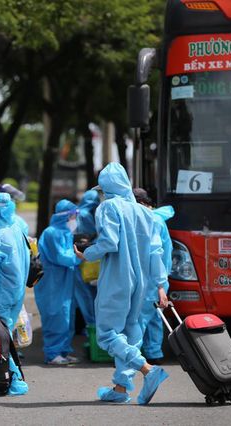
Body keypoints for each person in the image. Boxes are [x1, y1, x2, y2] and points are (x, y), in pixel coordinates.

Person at [74, 163, 169, 405]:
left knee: (106, 335)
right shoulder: (146, 213)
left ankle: (148, 370)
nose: (101, 195)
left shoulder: (108, 207)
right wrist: (160, 284)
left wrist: (88, 254)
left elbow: (109, 243)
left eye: (101, 190)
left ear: (105, 188)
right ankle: (120, 388)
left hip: (117, 278)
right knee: (130, 332)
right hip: (142, 282)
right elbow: (156, 252)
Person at [0, 192, 29, 395]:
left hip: (2, 291)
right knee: (6, 333)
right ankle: (12, 376)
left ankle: (13, 379)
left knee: (2, 337)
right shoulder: (16, 226)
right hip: (17, 289)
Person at [35, 200, 82, 365]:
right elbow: (62, 257)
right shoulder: (52, 233)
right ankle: (53, 353)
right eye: (74, 215)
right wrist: (82, 256)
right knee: (55, 316)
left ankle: (63, 350)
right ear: (66, 215)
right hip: (52, 283)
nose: (75, 218)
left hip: (63, 281)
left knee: (66, 316)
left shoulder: (64, 232)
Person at [133, 188, 174, 363]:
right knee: (155, 318)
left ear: (141, 203)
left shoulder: (151, 221)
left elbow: (153, 254)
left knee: (139, 318)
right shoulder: (157, 218)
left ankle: (132, 356)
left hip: (152, 279)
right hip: (159, 279)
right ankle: (154, 353)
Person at [73, 190, 100, 328]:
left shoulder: (78, 213)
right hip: (89, 258)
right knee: (90, 296)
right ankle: (93, 326)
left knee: (83, 297)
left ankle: (90, 327)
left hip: (78, 259)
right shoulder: (90, 214)